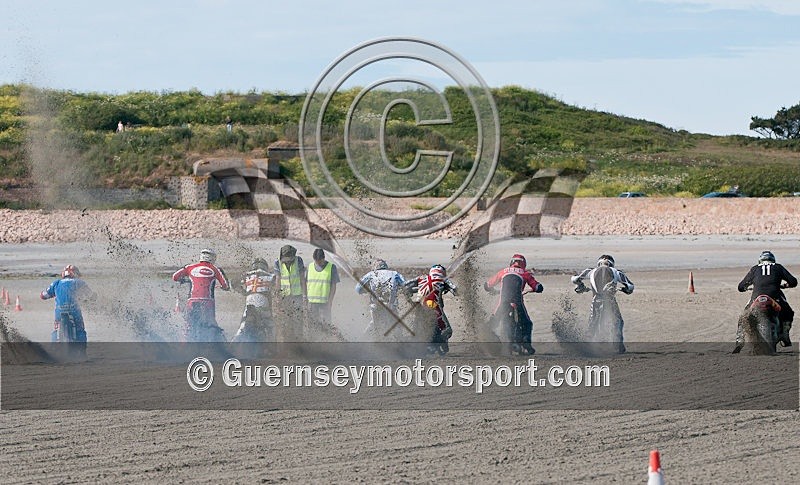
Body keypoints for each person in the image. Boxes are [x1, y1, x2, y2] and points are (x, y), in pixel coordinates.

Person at [571, 254, 634, 354]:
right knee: (617, 322)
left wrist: (581, 286)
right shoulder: (616, 272)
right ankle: (618, 346)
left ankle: (585, 347)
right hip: (610, 300)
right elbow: (630, 286)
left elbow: (574, 279)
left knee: (593, 324)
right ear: (612, 263)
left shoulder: (590, 271)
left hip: (596, 300)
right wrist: (625, 290)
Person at [484, 254, 543, 355]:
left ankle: (484, 338)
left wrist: (491, 289)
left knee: (493, 322)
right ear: (523, 264)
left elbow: (487, 285)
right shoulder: (525, 273)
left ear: (511, 263)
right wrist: (535, 289)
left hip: (503, 302)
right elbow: (538, 287)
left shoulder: (503, 271)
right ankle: (526, 343)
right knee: (527, 323)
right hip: (517, 302)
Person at [736, 250, 796, 348]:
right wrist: (785, 285)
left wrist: (746, 288)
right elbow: (793, 281)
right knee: (788, 312)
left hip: (756, 296)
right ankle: (785, 335)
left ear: (760, 260)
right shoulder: (778, 267)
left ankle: (739, 339)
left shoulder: (755, 269)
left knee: (744, 315)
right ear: (773, 260)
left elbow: (741, 286)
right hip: (775, 296)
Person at [172, 249, 230, 342]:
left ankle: (184, 344)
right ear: (213, 258)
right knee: (211, 323)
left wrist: (183, 280)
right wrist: (223, 287)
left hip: (192, 300)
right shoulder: (215, 269)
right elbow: (226, 285)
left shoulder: (190, 267)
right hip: (207, 301)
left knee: (189, 324)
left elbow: (175, 277)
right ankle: (220, 345)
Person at [40, 265, 95, 354]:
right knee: (80, 329)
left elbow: (43, 296)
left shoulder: (56, 283)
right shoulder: (79, 282)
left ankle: (54, 349)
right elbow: (90, 295)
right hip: (74, 311)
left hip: (59, 311)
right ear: (75, 274)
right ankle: (82, 352)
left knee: (56, 329)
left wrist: (53, 294)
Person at [411, 264, 458, 354]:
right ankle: (437, 343)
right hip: (434, 308)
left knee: (416, 331)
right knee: (447, 330)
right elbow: (456, 290)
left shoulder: (421, 278)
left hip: (419, 308)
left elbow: (406, 287)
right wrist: (447, 289)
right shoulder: (443, 280)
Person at [355, 259, 406, 338]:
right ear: (386, 267)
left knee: (374, 324)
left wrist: (366, 290)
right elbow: (405, 286)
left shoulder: (371, 274)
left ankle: (362, 340)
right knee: (396, 325)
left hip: (376, 306)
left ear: (375, 267)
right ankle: (401, 343)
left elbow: (358, 289)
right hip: (391, 306)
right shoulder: (395, 273)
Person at [232, 258, 276, 343]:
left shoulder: (247, 275)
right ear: (265, 266)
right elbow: (278, 286)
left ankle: (232, 343)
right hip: (263, 304)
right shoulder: (270, 276)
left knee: (242, 326)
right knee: (271, 326)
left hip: (249, 303)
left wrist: (243, 292)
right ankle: (273, 347)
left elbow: (233, 282)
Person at [306, 248, 343, 340]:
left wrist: (330, 301)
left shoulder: (331, 267)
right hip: (311, 302)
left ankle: (326, 341)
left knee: (326, 324)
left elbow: (333, 286)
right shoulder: (310, 266)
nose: (318, 263)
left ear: (324, 258)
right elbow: (305, 283)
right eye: (316, 261)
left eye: (320, 261)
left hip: (325, 303)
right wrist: (305, 298)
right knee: (312, 325)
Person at [274, 245, 307, 338]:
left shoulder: (298, 261)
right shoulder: (277, 262)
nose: (288, 262)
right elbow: (278, 280)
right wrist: (277, 297)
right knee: (285, 319)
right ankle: (287, 339)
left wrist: (305, 296)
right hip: (285, 296)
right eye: (286, 260)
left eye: (290, 259)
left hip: (297, 295)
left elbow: (302, 279)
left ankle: (298, 339)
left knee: (298, 319)